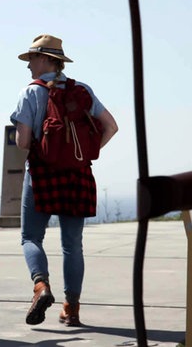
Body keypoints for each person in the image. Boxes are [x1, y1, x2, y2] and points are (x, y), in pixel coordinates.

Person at [10, 34, 118, 327]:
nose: (28, 64)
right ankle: (71, 308)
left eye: (31, 58)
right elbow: (111, 126)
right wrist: (83, 155)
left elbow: (21, 142)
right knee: (73, 245)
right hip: (78, 175)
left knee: (31, 237)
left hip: (42, 175)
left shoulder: (30, 93)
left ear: (45, 59)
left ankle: (41, 287)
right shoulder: (82, 90)